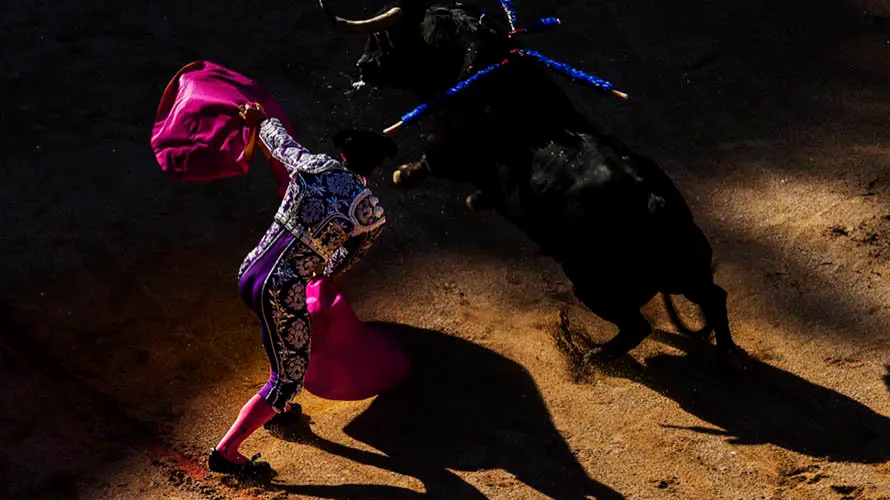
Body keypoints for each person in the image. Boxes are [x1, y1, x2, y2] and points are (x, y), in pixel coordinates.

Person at [208, 102, 396, 476]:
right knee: (289, 379)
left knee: (280, 336)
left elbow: (277, 142)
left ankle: (276, 403)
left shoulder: (315, 165)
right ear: (376, 168)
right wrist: (319, 271)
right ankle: (226, 453)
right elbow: (344, 260)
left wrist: (261, 119)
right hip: (283, 290)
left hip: (250, 272)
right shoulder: (370, 211)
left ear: (343, 154)